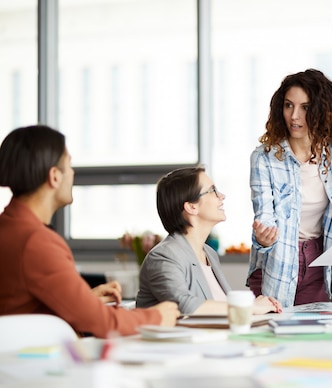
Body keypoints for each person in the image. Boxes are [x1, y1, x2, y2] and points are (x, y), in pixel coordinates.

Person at [0, 125, 180, 338]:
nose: (73, 173)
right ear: (55, 176)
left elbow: (22, 307)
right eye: (69, 165)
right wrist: (156, 317)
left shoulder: (10, 227)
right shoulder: (36, 242)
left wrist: (85, 300)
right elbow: (102, 323)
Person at [247, 68, 332, 308]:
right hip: (276, 262)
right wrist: (263, 238)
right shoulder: (264, 158)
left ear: (321, 111)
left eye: (305, 107)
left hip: (316, 261)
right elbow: (264, 218)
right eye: (288, 105)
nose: (294, 116)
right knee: (271, 337)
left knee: (313, 339)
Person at [137, 166, 282, 315]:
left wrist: (252, 304)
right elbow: (185, 306)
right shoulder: (163, 256)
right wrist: (251, 308)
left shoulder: (209, 254)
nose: (222, 196)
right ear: (192, 207)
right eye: (213, 190)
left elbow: (221, 306)